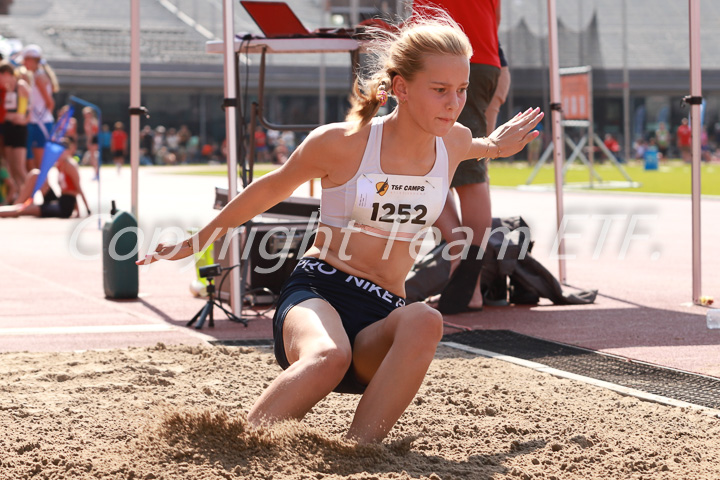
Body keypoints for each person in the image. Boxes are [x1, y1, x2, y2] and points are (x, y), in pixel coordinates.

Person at [138, 12, 541, 443]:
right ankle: (241, 445)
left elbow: (483, 145)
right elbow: (265, 191)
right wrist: (195, 241)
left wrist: (499, 144)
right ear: (401, 88)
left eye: (461, 90)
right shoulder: (343, 142)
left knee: (425, 319)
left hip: (381, 317)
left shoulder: (454, 141)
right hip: (319, 295)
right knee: (330, 354)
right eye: (440, 90)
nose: (453, 103)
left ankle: (359, 452)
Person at [414, 0, 502, 314]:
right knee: (426, 164)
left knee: (465, 165)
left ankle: (468, 280)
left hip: (464, 57)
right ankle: (463, 271)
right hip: (458, 54)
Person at [0, 136, 90, 218]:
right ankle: (17, 204)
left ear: (69, 151)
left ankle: (15, 210)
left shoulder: (70, 165)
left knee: (24, 210)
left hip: (64, 207)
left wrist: (86, 209)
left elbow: (77, 189)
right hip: (59, 200)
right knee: (36, 174)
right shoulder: (60, 165)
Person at [22, 44, 59, 172]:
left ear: (33, 60)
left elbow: (50, 102)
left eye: (26, 59)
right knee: (31, 164)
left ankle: (45, 191)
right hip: (35, 122)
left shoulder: (39, 76)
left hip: (40, 123)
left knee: (40, 166)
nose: (23, 63)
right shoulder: (35, 76)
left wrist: (40, 118)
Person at [0, 61, 31, 193]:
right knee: (11, 167)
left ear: (6, 74)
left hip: (19, 129)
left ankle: (32, 196)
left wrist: (25, 120)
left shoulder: (21, 86)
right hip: (8, 128)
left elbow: (31, 106)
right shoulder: (6, 88)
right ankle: (19, 194)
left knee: (19, 167)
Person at [81, 107, 99, 177]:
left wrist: (89, 141)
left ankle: (96, 173)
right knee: (93, 156)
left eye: (87, 113)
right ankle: (96, 172)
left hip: (92, 138)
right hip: (92, 138)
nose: (85, 115)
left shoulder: (90, 121)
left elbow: (91, 133)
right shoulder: (91, 120)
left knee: (93, 157)